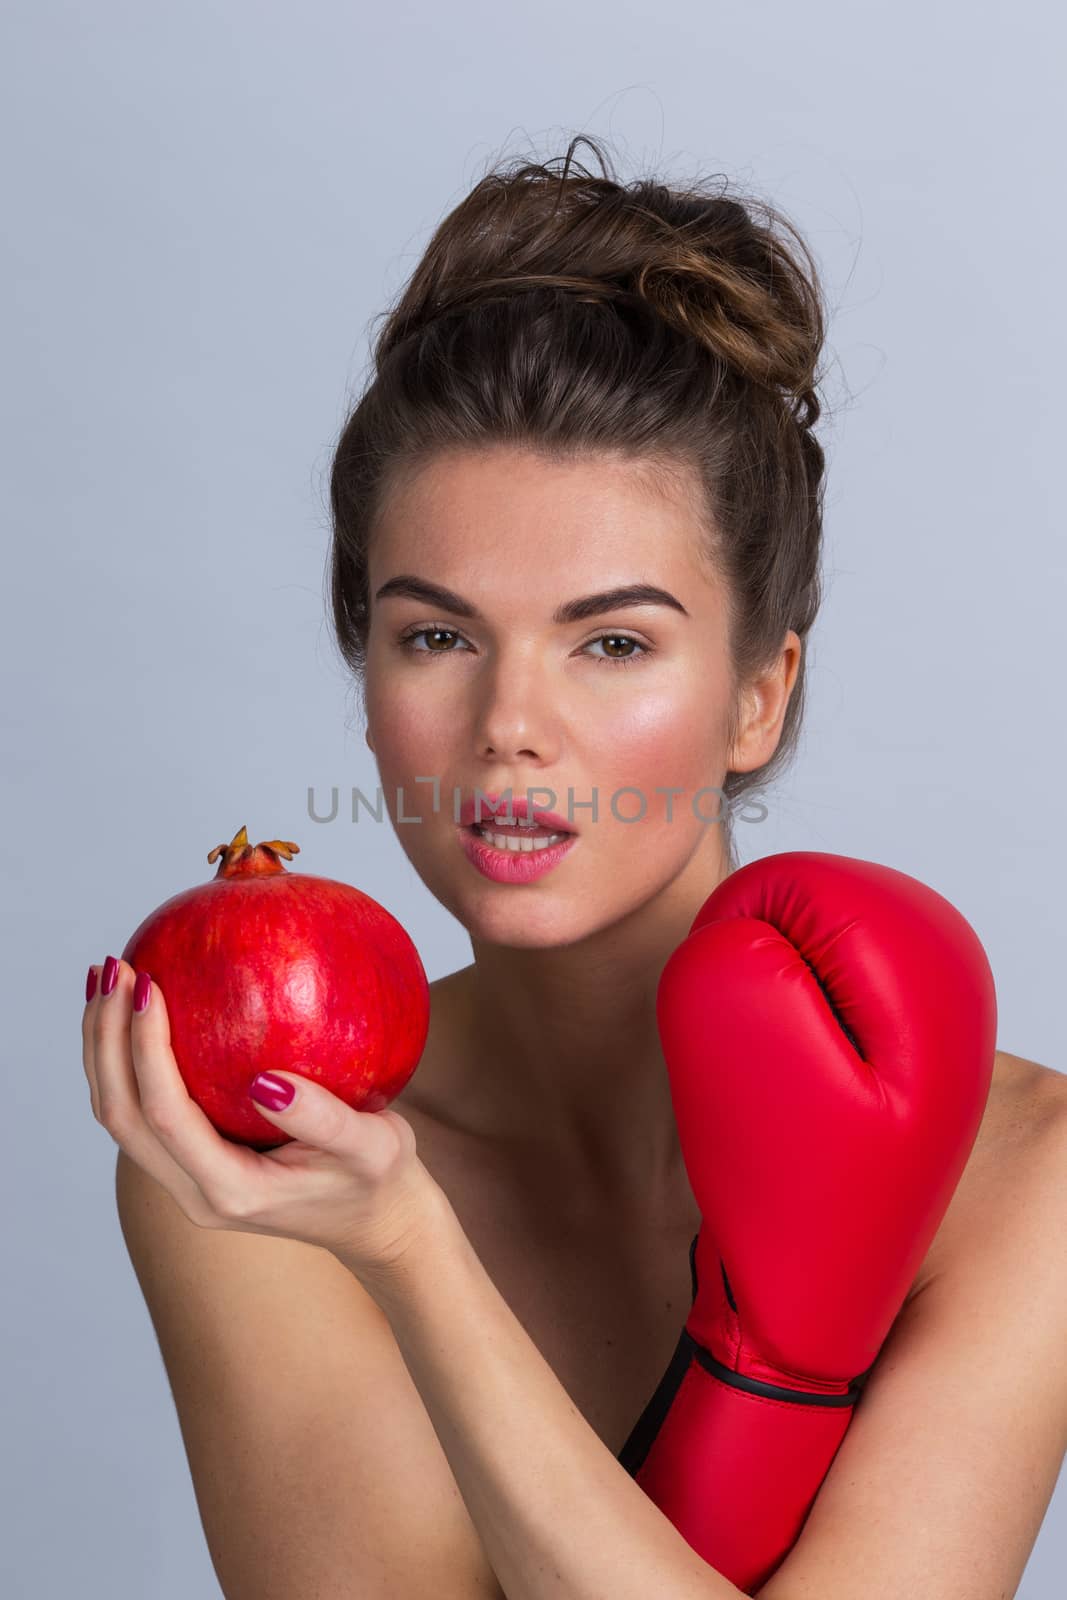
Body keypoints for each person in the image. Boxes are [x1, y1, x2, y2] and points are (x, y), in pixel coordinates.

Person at [85, 136, 1067, 1599]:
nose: (509, 731)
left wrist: (416, 1262)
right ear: (366, 678)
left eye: (612, 642)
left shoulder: (1021, 1176)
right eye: (437, 636)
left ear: (759, 692)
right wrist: (407, 1242)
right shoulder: (263, 1166)